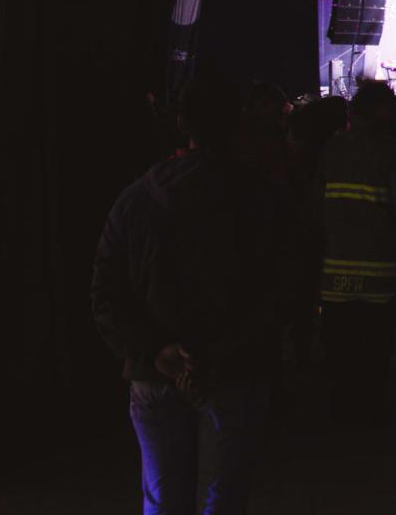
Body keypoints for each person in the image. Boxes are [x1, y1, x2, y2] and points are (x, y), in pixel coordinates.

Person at [92, 74, 293, 515]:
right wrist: (219, 354)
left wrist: (157, 350)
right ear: (238, 122)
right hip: (237, 372)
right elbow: (281, 292)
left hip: (156, 373)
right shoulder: (266, 200)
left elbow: (106, 294)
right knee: (223, 497)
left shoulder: (136, 199)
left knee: (162, 499)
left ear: (181, 122)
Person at [317, 81, 396, 427]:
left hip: (333, 274)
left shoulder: (329, 150)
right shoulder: (393, 154)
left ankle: (339, 414)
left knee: (338, 352)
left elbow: (313, 208)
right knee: (375, 351)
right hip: (382, 273)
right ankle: (369, 415)